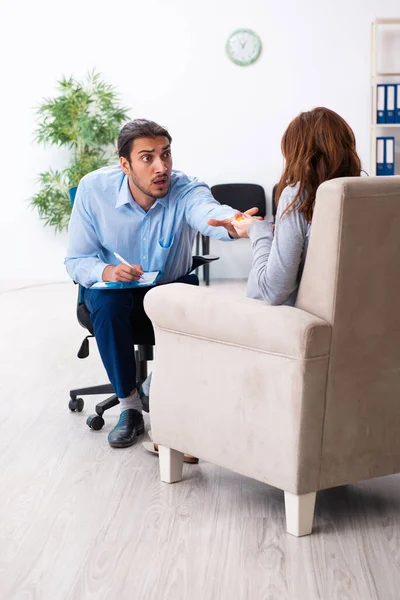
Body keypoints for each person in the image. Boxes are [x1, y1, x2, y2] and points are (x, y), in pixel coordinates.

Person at [65, 119, 260, 449]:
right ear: (125, 164)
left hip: (171, 288)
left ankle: (153, 386)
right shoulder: (93, 189)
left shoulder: (185, 188)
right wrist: (106, 271)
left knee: (209, 314)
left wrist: (234, 224)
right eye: (147, 158)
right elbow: (76, 260)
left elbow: (209, 212)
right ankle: (129, 408)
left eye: (166, 155)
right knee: (110, 306)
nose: (161, 167)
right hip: (113, 293)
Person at [228, 107, 362, 305]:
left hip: (306, 322)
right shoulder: (364, 193)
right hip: (360, 314)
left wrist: (258, 231)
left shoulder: (298, 194)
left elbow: (272, 292)